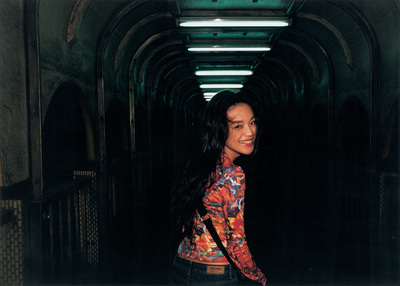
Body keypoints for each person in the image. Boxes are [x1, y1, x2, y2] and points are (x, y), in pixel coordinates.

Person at [171, 90, 267, 285]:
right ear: (218, 129)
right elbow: (236, 243)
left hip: (182, 264)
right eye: (238, 126)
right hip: (214, 274)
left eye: (253, 122)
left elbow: (185, 223)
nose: (250, 132)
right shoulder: (234, 175)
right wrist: (257, 275)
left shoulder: (199, 165)